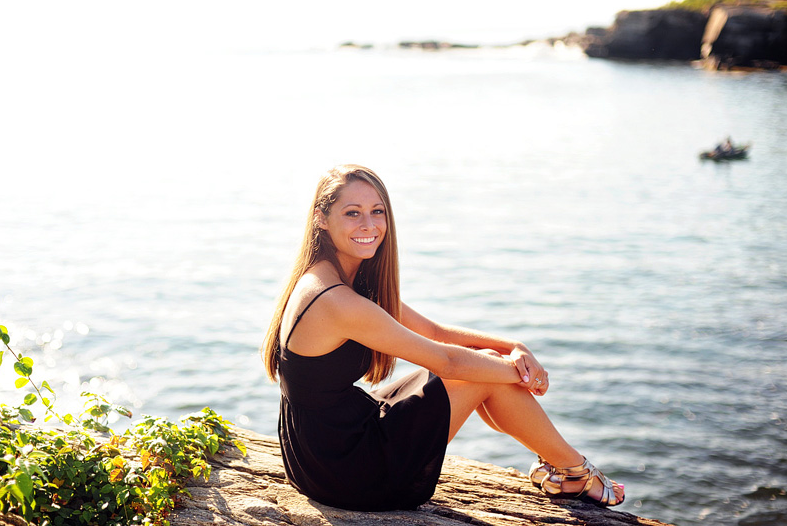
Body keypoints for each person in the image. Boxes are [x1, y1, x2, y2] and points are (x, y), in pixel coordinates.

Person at [261, 164, 625, 511]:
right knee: (479, 375)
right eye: (352, 213)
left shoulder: (339, 277)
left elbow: (435, 332)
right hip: (347, 469)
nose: (369, 224)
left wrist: (512, 348)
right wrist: (522, 373)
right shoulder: (337, 300)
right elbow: (445, 359)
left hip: (320, 449)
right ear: (321, 219)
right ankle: (575, 471)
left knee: (483, 366)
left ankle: (565, 468)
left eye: (377, 211)